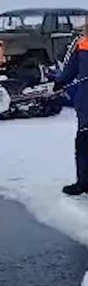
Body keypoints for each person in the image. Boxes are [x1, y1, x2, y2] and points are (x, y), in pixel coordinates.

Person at [54, 24, 88, 195]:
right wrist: (60, 81)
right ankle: (83, 182)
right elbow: (71, 68)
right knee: (83, 141)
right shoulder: (82, 44)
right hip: (85, 101)